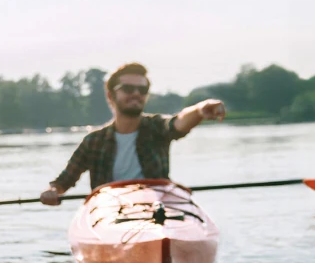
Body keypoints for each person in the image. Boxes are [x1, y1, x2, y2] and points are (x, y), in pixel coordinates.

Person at [41, 62, 226, 205]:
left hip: (157, 207)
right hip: (110, 211)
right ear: (110, 96)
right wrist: (52, 191)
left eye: (142, 90)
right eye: (128, 89)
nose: (136, 94)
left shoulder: (156, 127)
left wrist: (200, 110)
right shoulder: (93, 141)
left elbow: (178, 123)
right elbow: (63, 182)